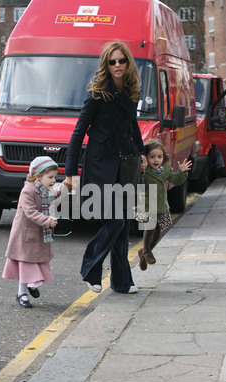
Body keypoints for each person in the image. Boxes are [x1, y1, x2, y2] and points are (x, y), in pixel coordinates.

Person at [64, 41, 147, 294]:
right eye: (112, 62)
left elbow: (132, 125)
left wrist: (141, 151)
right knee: (116, 221)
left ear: (128, 63)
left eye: (121, 61)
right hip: (100, 166)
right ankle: (91, 268)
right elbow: (78, 133)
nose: (118, 65)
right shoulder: (97, 94)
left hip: (125, 165)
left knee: (121, 227)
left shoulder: (132, 92)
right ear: (106, 65)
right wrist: (69, 172)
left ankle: (122, 282)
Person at [2, 156, 68, 308]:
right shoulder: (27, 191)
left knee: (35, 261)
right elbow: (30, 212)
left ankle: (27, 288)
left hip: (37, 233)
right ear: (37, 176)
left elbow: (57, 193)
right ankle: (23, 292)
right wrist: (47, 220)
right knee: (26, 263)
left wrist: (66, 185)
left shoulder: (45, 189)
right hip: (25, 234)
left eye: (55, 177)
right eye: (50, 177)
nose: (53, 181)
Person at [138, 140, 192, 271]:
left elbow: (175, 180)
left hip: (161, 206)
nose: (156, 160)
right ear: (146, 157)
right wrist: (143, 170)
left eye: (159, 157)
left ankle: (143, 253)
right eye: (152, 157)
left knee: (157, 234)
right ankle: (146, 251)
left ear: (163, 157)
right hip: (147, 205)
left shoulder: (166, 168)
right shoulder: (144, 170)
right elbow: (140, 184)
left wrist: (182, 172)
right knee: (150, 227)